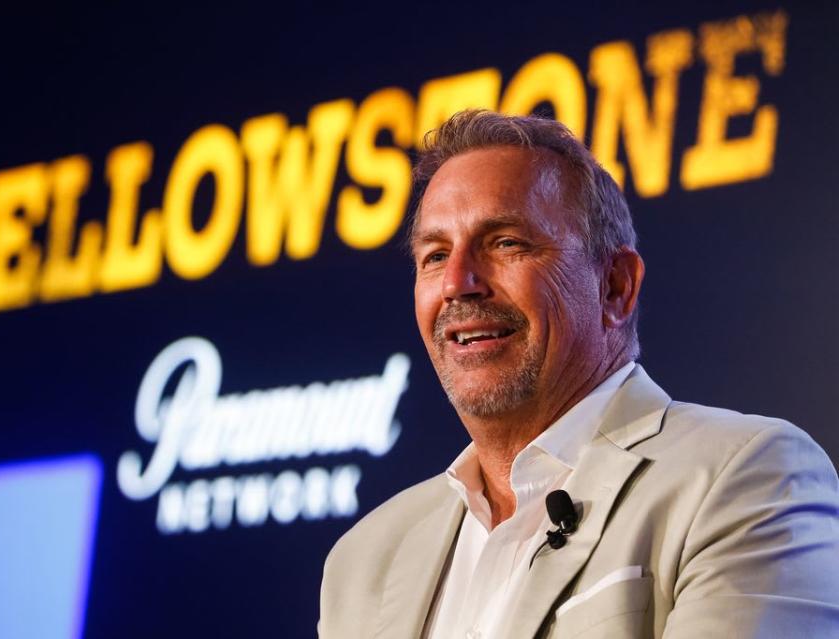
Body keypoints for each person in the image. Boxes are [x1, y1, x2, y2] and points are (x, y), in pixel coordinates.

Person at [318, 110, 839, 638]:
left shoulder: (746, 477)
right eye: (434, 255)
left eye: (506, 243)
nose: (458, 283)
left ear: (615, 286)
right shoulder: (364, 561)